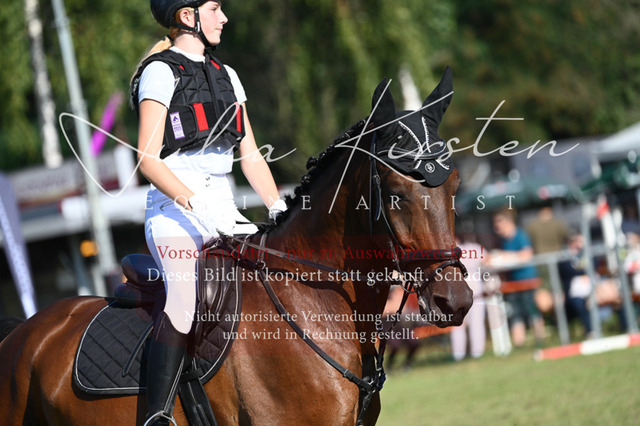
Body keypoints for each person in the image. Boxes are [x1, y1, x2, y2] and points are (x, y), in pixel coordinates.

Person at [131, 1, 286, 424]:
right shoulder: (160, 72)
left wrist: (277, 204)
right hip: (174, 211)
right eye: (215, 8)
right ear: (188, 16)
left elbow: (250, 155)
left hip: (224, 208)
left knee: (276, 282)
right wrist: (194, 202)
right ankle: (158, 414)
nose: (224, 17)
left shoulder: (227, 75)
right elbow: (147, 159)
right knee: (183, 303)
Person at [490, 209, 545, 347]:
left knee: (532, 311)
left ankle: (540, 341)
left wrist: (504, 256)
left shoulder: (521, 235)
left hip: (528, 281)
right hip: (512, 283)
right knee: (515, 314)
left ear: (508, 222)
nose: (497, 229)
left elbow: (527, 255)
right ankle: (519, 345)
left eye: (498, 225)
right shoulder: (503, 240)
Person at [450, 234, 486, 361]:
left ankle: (458, 355)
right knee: (476, 324)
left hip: (457, 295)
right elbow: (488, 260)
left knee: (459, 326)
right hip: (474, 293)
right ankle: (477, 353)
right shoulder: (474, 249)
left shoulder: (448, 253)